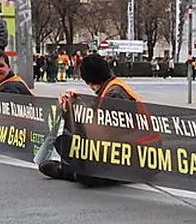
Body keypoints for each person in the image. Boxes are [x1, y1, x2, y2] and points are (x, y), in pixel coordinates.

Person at [38, 53, 149, 185]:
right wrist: (74, 106)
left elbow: (104, 135)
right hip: (138, 152)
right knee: (67, 143)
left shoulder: (114, 95)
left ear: (89, 80)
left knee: (69, 146)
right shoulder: (113, 88)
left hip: (136, 156)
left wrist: (75, 109)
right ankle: (78, 170)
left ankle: (71, 171)